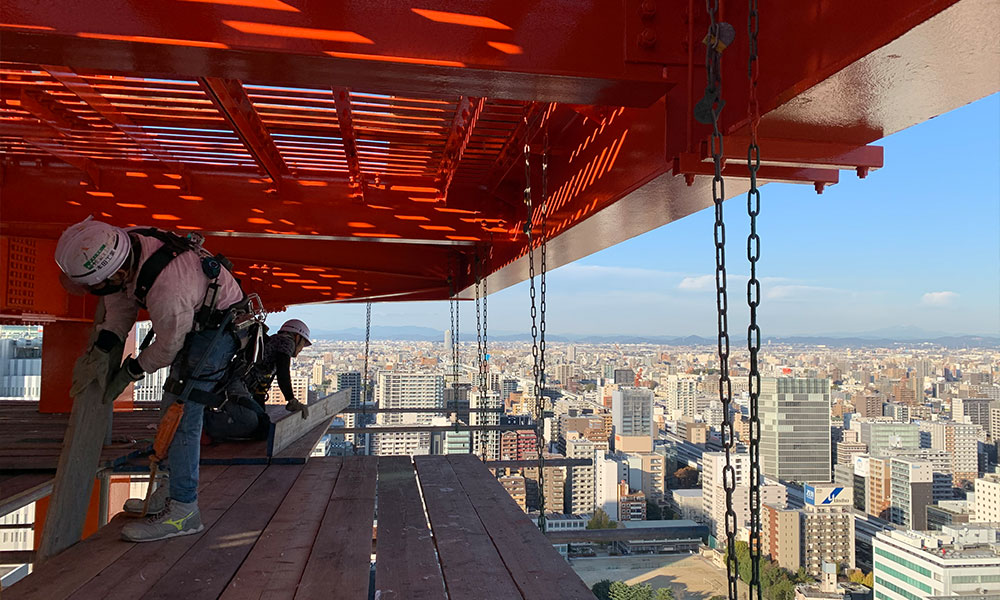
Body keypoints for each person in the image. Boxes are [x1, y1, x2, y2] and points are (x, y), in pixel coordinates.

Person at [56, 217, 246, 542]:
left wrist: (128, 371)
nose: (93, 293)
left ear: (114, 274)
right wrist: (103, 348)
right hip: (196, 317)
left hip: (218, 330)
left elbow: (168, 346)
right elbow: (120, 307)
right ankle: (170, 493)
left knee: (182, 415)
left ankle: (184, 512)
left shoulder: (167, 288)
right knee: (169, 409)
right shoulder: (122, 247)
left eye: (95, 287)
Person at [202, 319, 312, 443]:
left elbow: (261, 386)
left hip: (234, 383)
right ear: (297, 337)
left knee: (261, 426)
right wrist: (291, 399)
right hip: (234, 384)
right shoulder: (287, 341)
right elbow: (283, 371)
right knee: (250, 423)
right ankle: (203, 424)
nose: (301, 348)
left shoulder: (274, 341)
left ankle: (208, 424)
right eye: (303, 343)